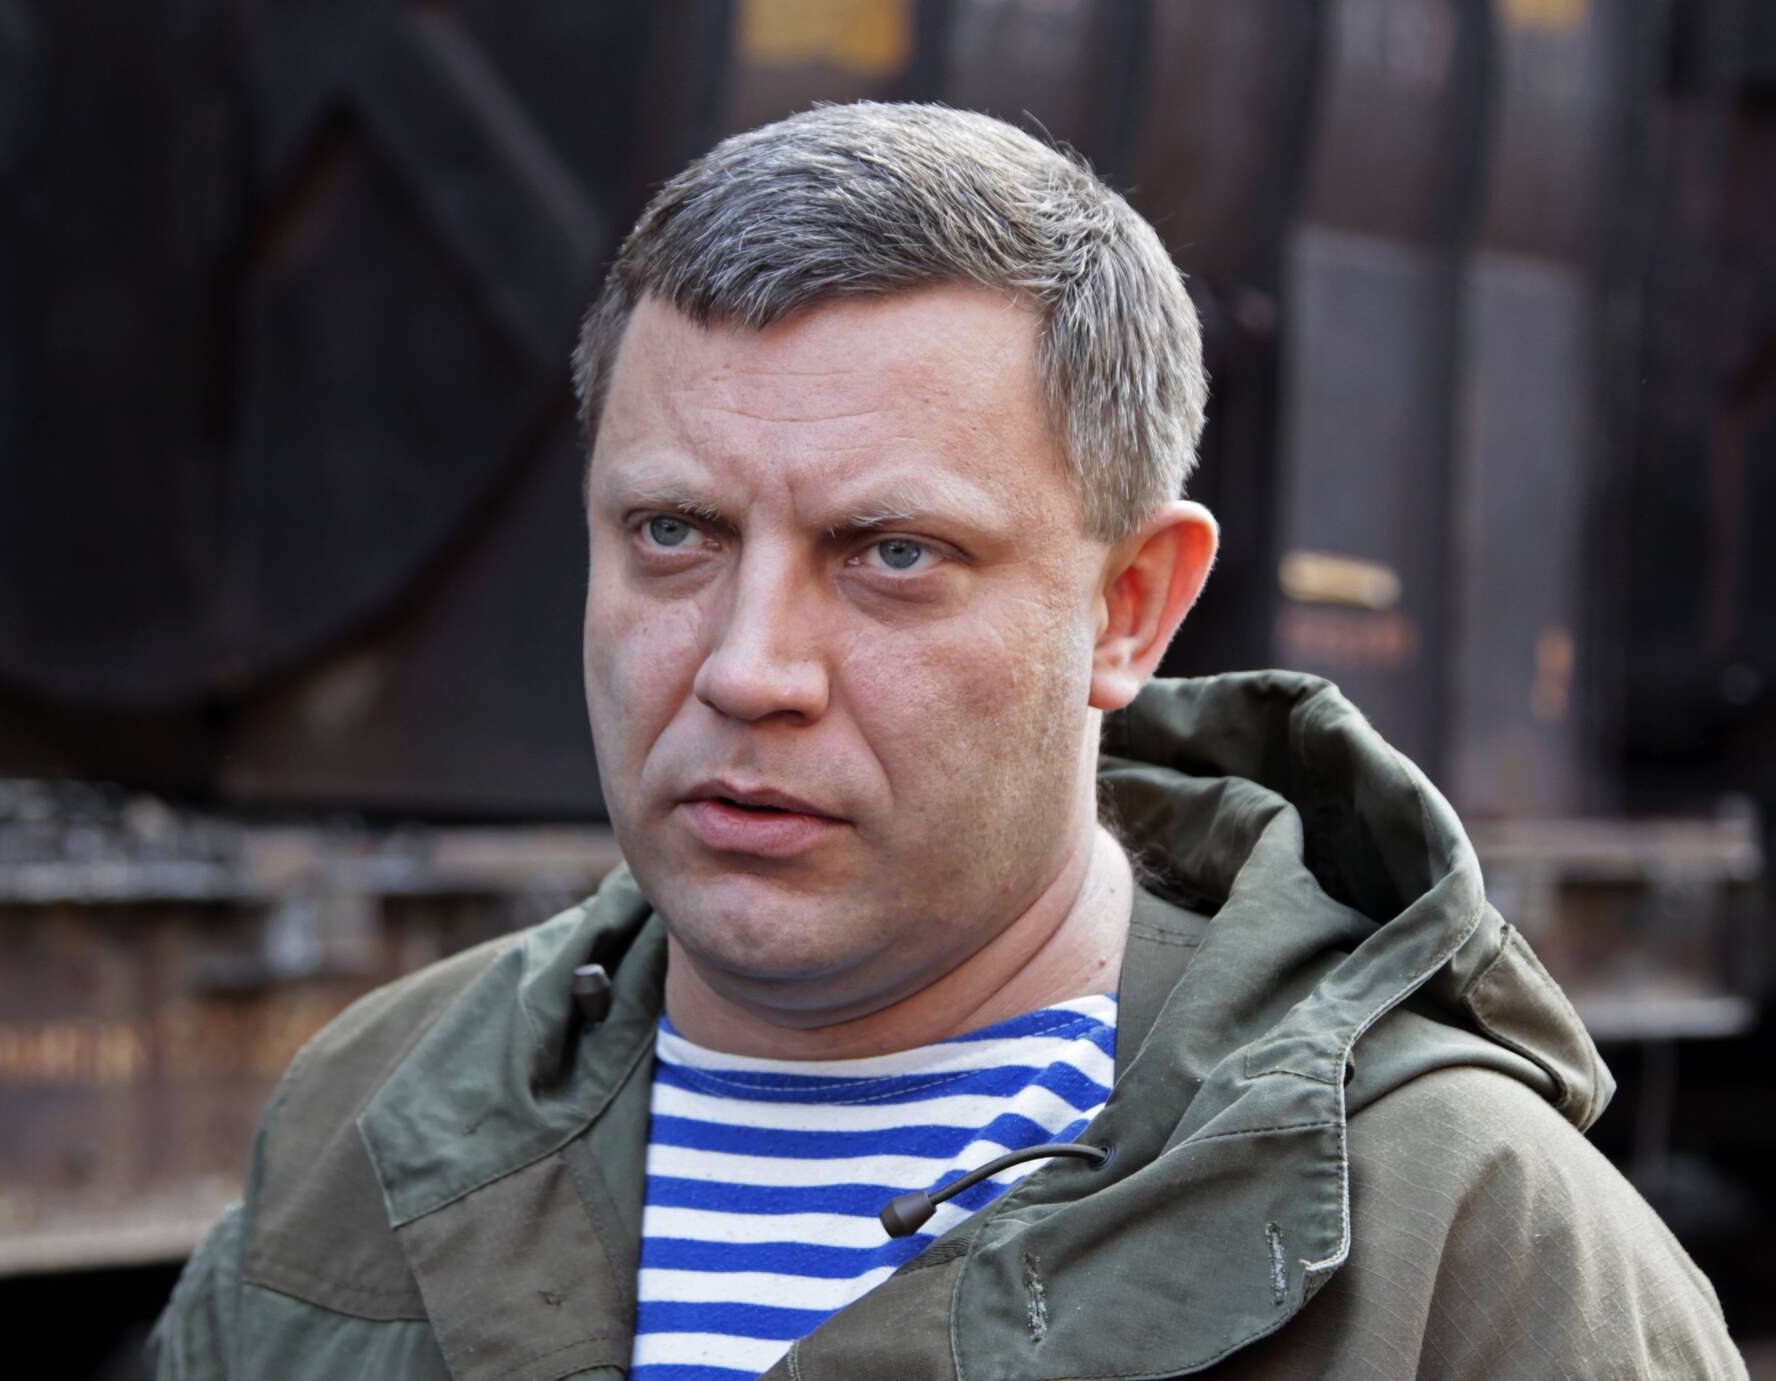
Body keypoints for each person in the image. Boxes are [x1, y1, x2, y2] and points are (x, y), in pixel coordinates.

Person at [153, 103, 1744, 1379]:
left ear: (1130, 607)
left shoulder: (1458, 1239)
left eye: (893, 554)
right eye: (674, 531)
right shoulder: (379, 1122)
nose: (747, 668)